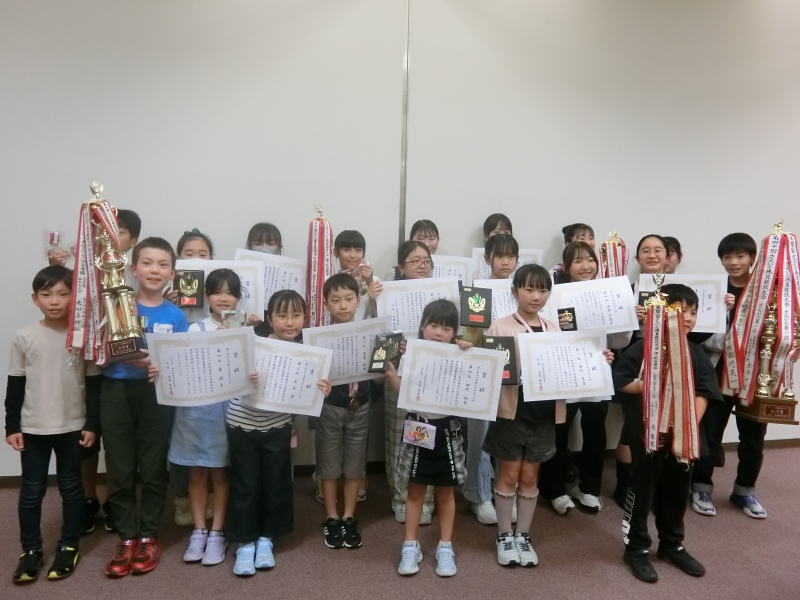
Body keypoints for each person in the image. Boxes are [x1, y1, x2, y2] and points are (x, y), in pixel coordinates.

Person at [615, 284, 722, 583]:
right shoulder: (642, 349)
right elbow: (621, 381)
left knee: (677, 492)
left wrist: (686, 424)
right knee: (642, 490)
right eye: (680, 311)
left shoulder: (695, 352)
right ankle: (636, 547)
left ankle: (672, 544)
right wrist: (650, 384)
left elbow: (705, 391)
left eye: (693, 312)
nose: (687, 318)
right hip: (647, 436)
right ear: (660, 314)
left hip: (683, 440)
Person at [5, 266, 101, 583]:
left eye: (63, 294)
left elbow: (94, 386)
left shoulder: (83, 338)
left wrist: (92, 423)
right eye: (46, 295)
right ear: (35, 299)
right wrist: (12, 426)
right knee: (31, 493)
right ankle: (30, 550)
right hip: (33, 428)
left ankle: (69, 546)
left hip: (72, 426)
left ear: (76, 298)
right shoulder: (24, 336)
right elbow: (15, 385)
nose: (55, 301)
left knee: (72, 490)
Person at [227, 289, 331, 575]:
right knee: (246, 484)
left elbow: (306, 395)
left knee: (276, 482)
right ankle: (245, 543)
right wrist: (245, 376)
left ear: (304, 318)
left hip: (278, 427)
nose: (289, 322)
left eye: (296, 315)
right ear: (270, 319)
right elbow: (229, 376)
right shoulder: (254, 344)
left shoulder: (308, 353)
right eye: (282, 315)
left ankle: (266, 539)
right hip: (242, 424)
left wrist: (321, 390)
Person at [102, 237, 188, 578]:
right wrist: (122, 356)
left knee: (153, 467)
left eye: (163, 264)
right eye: (147, 263)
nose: (155, 270)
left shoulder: (176, 316)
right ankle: (126, 537)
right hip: (116, 391)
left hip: (156, 395)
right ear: (132, 269)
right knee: (120, 468)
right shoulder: (116, 306)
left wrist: (158, 365)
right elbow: (96, 352)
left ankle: (149, 535)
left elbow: (179, 362)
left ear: (172, 273)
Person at [162, 269, 248, 567]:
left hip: (227, 410)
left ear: (238, 298)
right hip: (195, 412)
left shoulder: (243, 330)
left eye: (230, 292)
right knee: (196, 472)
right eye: (217, 292)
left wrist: (237, 338)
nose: (224, 298)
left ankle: (217, 532)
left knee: (221, 472)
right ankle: (199, 531)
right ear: (206, 296)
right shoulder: (193, 329)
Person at [538, 242, 627, 514]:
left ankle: (589, 487)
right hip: (563, 370)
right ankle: (554, 490)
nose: (585, 266)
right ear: (565, 267)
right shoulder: (553, 295)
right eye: (577, 261)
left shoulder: (608, 292)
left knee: (595, 432)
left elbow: (619, 341)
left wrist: (626, 317)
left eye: (589, 260)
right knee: (559, 431)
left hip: (596, 370)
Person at [386, 299, 469, 577]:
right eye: (433, 325)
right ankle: (410, 545)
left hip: (448, 430)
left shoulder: (460, 354)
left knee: (445, 493)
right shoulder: (412, 353)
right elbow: (403, 393)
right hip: (418, 427)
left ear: (454, 333)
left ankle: (445, 546)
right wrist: (390, 373)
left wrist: (467, 348)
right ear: (422, 326)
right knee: (415, 491)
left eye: (446, 328)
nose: (438, 333)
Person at [691, 233, 767, 519]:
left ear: (752, 258)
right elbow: (700, 335)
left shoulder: (765, 291)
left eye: (740, 256)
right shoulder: (714, 290)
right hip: (718, 371)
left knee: (753, 437)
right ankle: (701, 486)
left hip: (755, 376)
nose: (734, 262)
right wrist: (725, 315)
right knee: (709, 432)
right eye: (727, 257)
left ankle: (744, 490)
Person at [81, 208, 141, 536]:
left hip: (130, 372)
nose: (109, 237)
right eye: (104, 230)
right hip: (93, 371)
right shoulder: (87, 271)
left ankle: (119, 504)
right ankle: (88, 499)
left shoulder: (136, 275)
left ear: (133, 241)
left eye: (118, 231)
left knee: (126, 446)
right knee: (90, 437)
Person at [462, 233, 519, 525]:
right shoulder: (479, 291)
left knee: (509, 437)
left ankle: (504, 492)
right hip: (483, 372)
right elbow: (469, 334)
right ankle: (479, 496)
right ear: (487, 259)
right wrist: (465, 341)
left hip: (513, 374)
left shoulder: (523, 291)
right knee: (480, 438)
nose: (505, 262)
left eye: (511, 256)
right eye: (499, 256)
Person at [317, 274, 376, 549]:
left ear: (358, 300)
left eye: (349, 299)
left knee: (355, 467)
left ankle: (349, 516)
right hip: (330, 407)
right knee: (328, 467)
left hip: (360, 405)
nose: (343, 305)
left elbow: (378, 375)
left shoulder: (369, 333)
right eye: (336, 300)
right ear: (326, 303)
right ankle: (331, 517)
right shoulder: (320, 337)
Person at [380, 241, 436, 524]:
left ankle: (426, 498)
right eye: (415, 261)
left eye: (426, 260)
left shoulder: (442, 293)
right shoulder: (387, 294)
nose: (422, 265)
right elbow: (377, 339)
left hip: (432, 374)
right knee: (399, 437)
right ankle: (401, 496)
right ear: (401, 267)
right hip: (400, 373)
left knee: (426, 435)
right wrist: (394, 348)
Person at [613, 234, 669, 507]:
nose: (652, 255)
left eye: (658, 250)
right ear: (637, 258)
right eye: (645, 251)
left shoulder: (680, 290)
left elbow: (698, 330)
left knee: (667, 424)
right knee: (633, 425)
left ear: (668, 257)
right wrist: (630, 319)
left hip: (672, 363)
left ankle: (657, 484)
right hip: (636, 361)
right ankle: (624, 486)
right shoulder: (625, 290)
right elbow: (614, 334)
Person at [168, 230, 217, 527]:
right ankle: (181, 496)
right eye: (189, 254)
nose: (197, 259)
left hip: (214, 370)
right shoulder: (169, 290)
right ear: (178, 259)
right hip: (182, 369)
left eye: (203, 254)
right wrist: (169, 303)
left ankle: (209, 495)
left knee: (213, 437)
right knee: (182, 434)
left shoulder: (221, 286)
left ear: (212, 258)